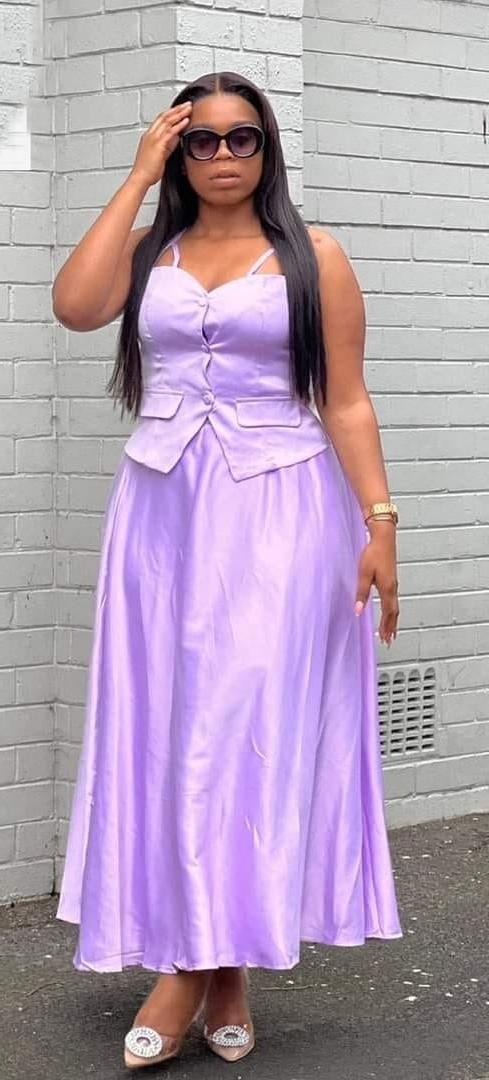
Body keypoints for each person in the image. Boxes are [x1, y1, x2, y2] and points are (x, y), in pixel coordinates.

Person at [51, 71, 402, 1069]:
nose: (220, 156)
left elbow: (345, 398)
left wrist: (380, 524)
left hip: (281, 511)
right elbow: (75, 307)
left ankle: (187, 971)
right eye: (198, 140)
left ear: (267, 147)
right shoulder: (149, 250)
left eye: (239, 137)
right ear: (177, 150)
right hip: (162, 517)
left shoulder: (314, 256)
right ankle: (225, 966)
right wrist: (135, 177)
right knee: (172, 729)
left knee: (242, 727)